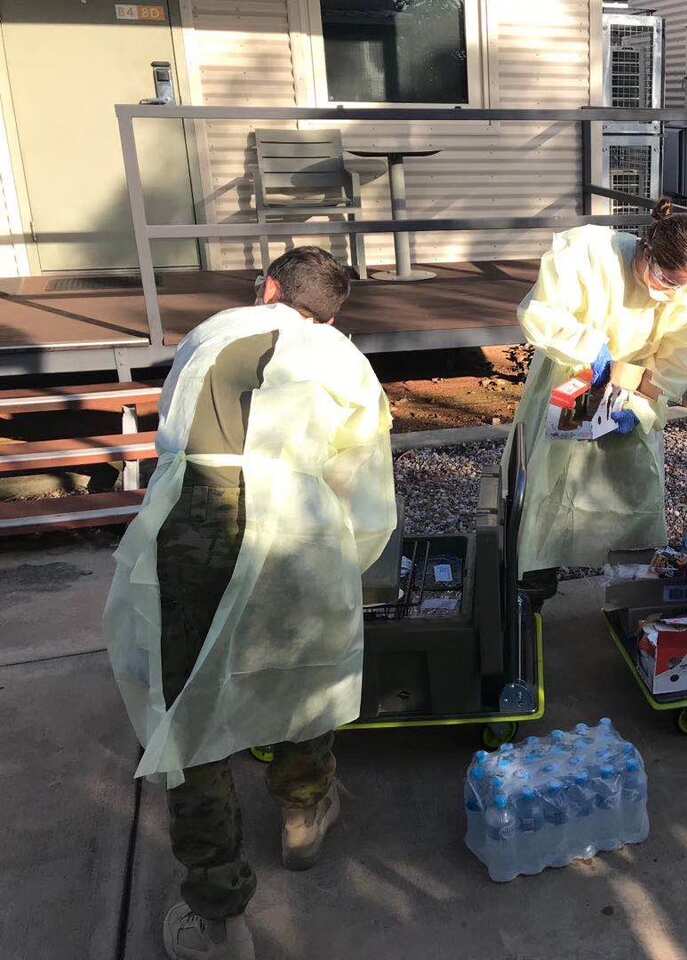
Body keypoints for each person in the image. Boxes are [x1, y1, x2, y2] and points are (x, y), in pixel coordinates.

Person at [104, 247, 396, 959]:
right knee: (302, 666)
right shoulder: (341, 358)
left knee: (188, 712)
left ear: (268, 287)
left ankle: (218, 912)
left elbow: (170, 439)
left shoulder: (210, 334)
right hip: (298, 522)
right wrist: (344, 563)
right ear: (332, 312)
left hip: (195, 516)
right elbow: (361, 478)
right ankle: (303, 813)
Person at [508, 199, 687, 605]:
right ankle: (535, 583)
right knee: (548, 485)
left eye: (681, 284)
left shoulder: (682, 298)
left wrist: (636, 408)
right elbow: (539, 313)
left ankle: (632, 591)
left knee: (630, 492)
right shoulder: (588, 251)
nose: (669, 291)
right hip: (569, 376)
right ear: (647, 250)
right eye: (665, 279)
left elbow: (674, 365)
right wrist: (589, 346)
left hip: (629, 391)